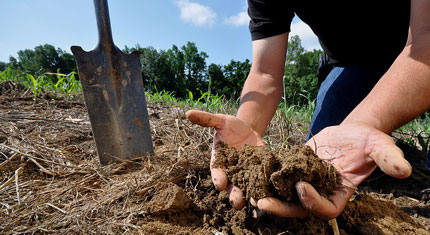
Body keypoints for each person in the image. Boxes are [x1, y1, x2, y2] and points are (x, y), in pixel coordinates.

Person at [186, 0, 430, 220]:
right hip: (352, 63)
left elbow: (425, 40)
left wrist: (368, 121)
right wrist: (246, 131)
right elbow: (265, 72)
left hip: (421, 43)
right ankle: (393, 152)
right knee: (321, 159)